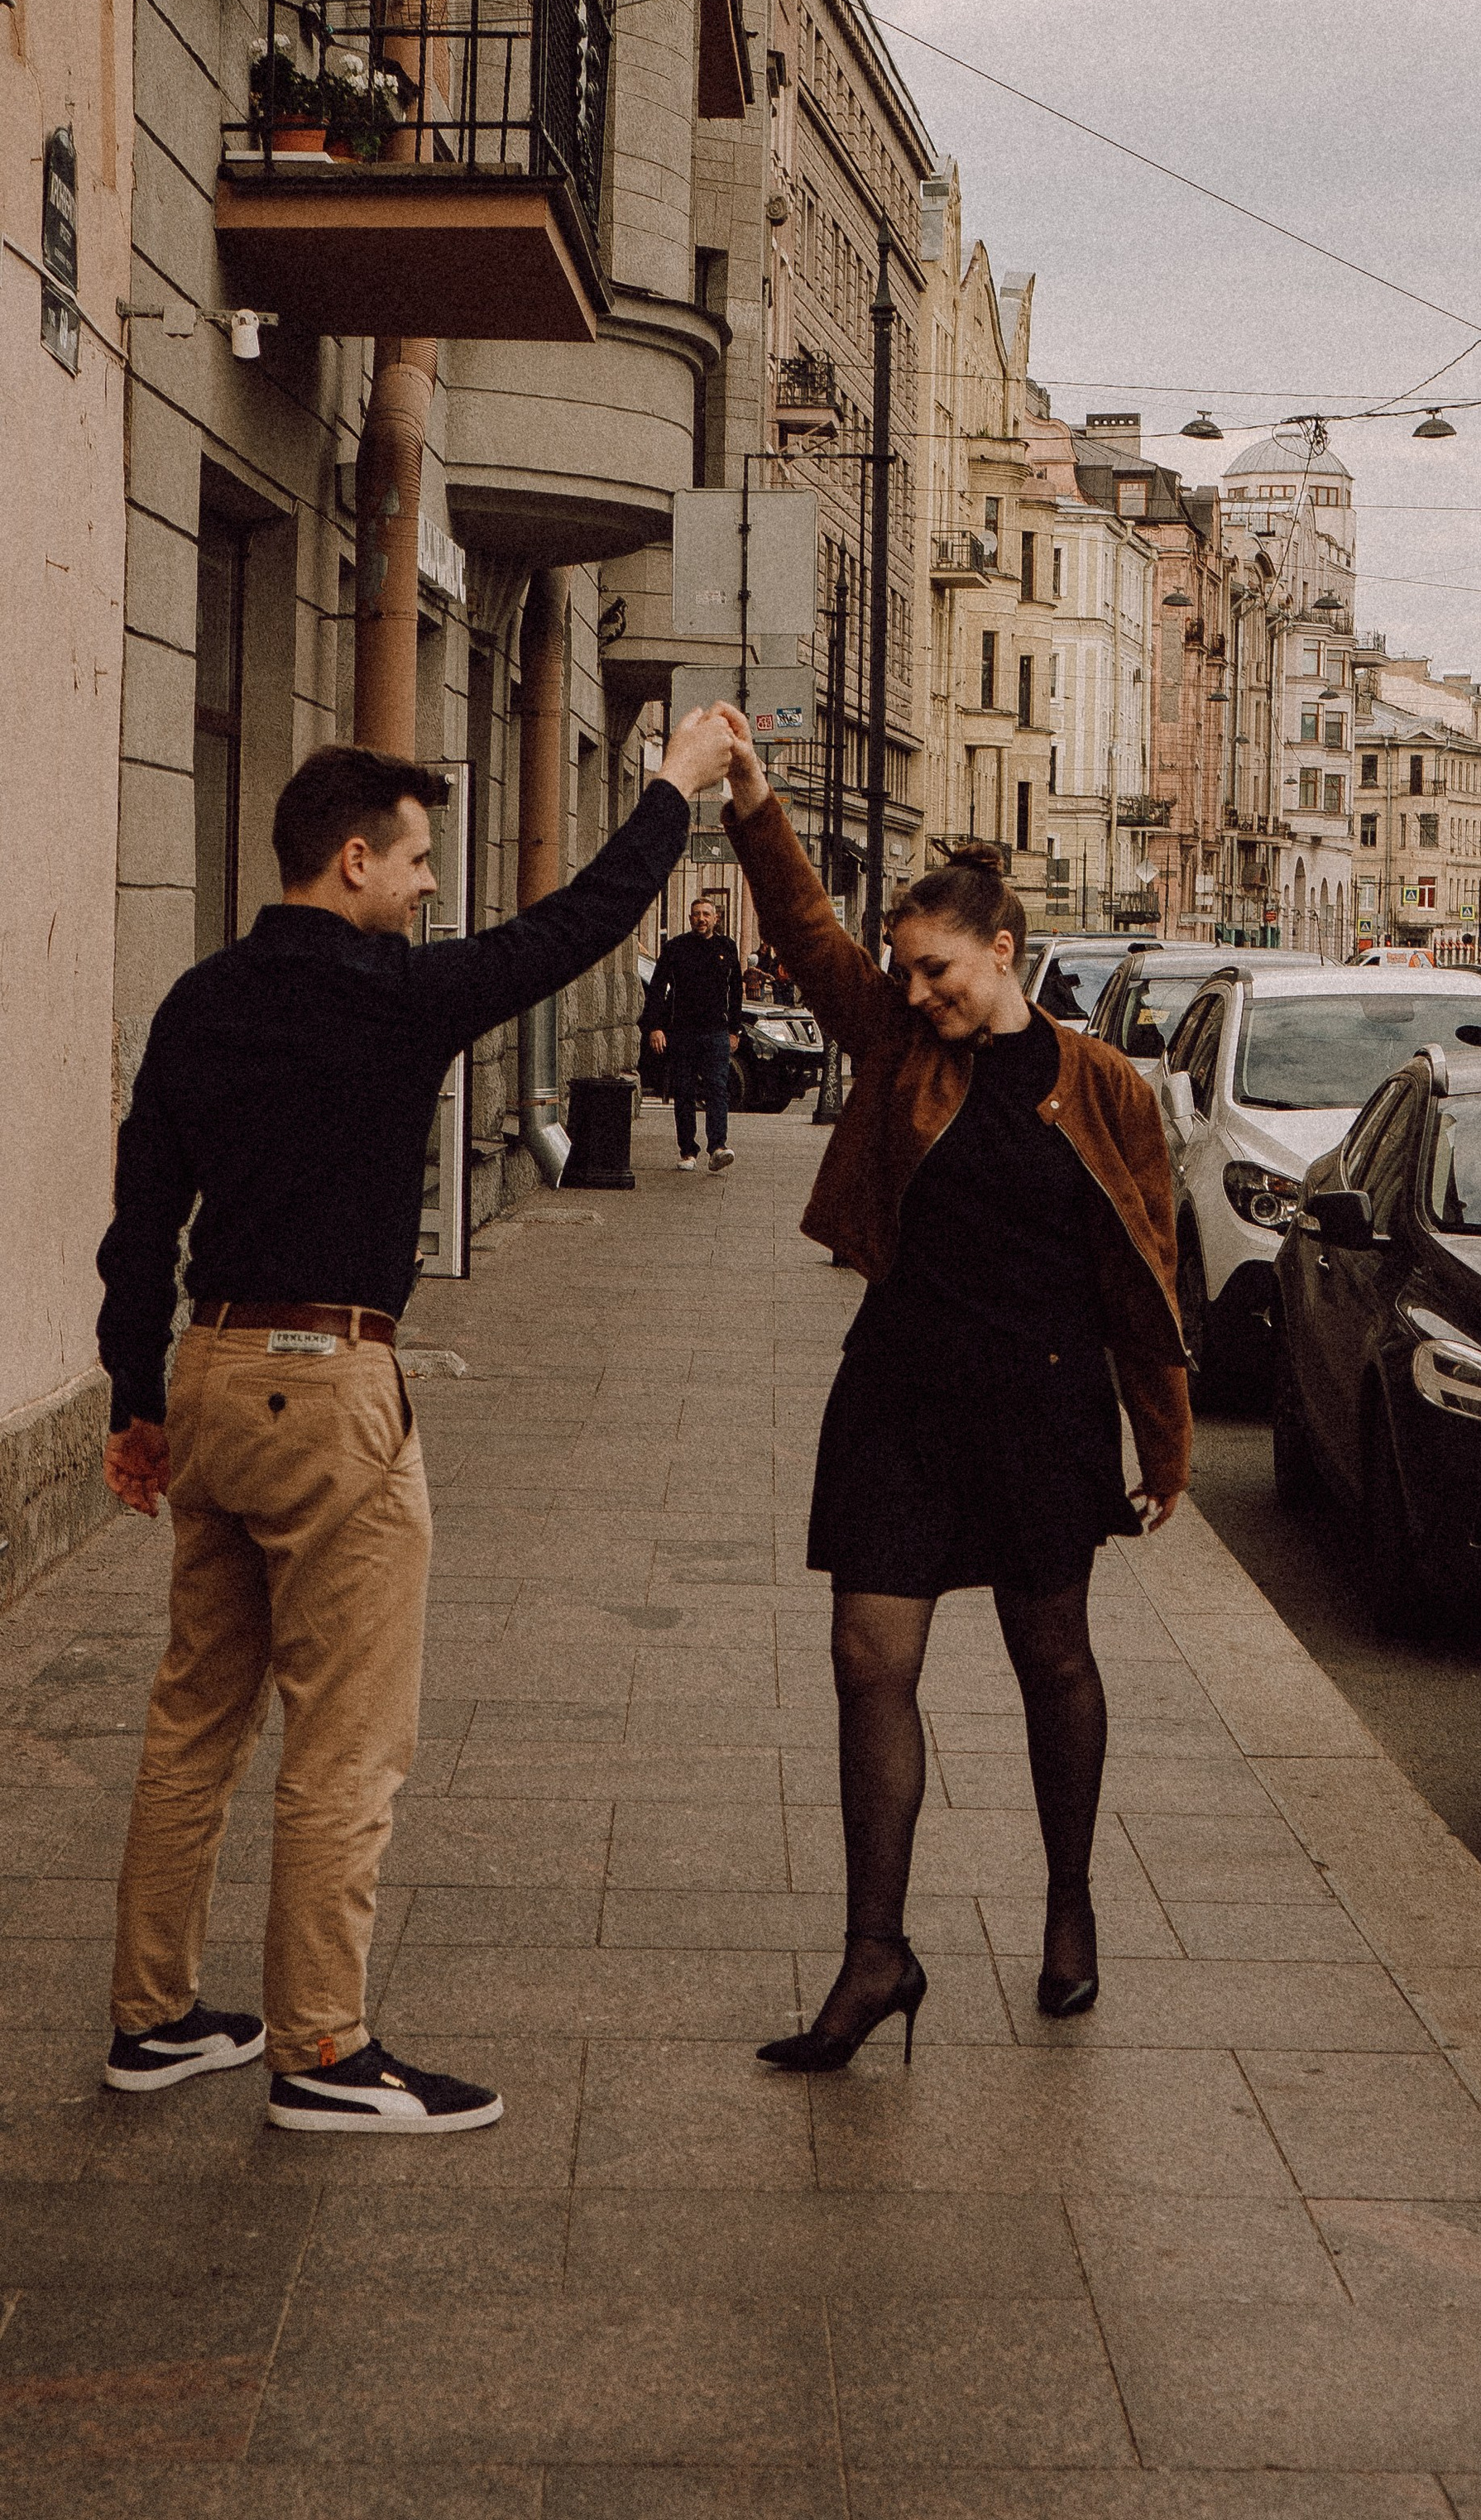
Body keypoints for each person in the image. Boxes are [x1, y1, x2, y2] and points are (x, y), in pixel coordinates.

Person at [93, 706, 735, 2132]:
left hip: (209, 1370)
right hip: (329, 1386)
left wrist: (138, 1399)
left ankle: (154, 2018)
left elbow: (143, 1224)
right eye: (418, 861)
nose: (431, 885)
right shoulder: (393, 995)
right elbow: (579, 926)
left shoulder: (201, 1001)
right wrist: (670, 789)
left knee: (197, 1711)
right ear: (350, 861)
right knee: (345, 1739)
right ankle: (321, 2053)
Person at [711, 705, 1191, 2072]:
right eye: (906, 974)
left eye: (939, 972)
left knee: (1054, 1661)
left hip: (1042, 1404)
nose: (916, 993)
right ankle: (878, 1954)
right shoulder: (894, 1045)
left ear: (1001, 953)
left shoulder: (1106, 1090)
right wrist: (752, 801)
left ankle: (1070, 1903)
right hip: (902, 1396)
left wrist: (1164, 1444)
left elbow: (1146, 1277)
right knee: (869, 1660)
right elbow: (808, 934)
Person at [643, 891, 745, 1172]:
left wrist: (734, 1030)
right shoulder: (676, 948)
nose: (701, 919)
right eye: (696, 915)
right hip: (681, 1032)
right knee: (684, 1092)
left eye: (706, 914)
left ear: (716, 918)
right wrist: (655, 1027)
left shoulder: (727, 947)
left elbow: (736, 991)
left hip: (716, 1032)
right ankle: (688, 1151)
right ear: (690, 918)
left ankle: (718, 1148)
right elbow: (656, 988)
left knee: (717, 1089)